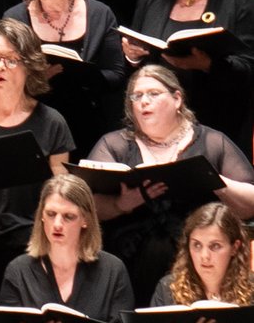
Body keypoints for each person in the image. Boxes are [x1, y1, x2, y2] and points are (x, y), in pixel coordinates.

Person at [90, 62, 254, 301]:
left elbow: (250, 204)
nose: (144, 101)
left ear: (177, 99)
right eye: (137, 96)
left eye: (153, 94)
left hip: (197, 259)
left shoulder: (211, 142)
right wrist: (119, 204)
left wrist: (215, 180)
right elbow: (85, 205)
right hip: (128, 258)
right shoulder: (114, 145)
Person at [0, 20, 78, 285]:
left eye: (10, 60)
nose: (0, 66)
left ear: (28, 65)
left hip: (32, 244)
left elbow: (60, 193)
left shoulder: (52, 122)